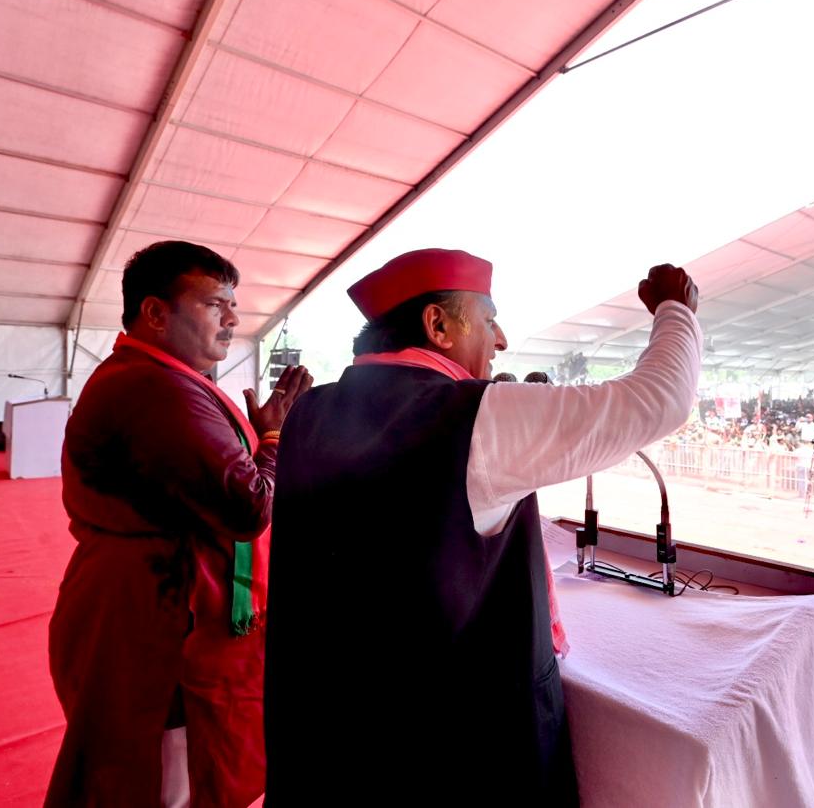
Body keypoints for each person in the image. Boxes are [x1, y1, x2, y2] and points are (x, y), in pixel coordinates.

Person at [264, 251, 701, 805]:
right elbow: (655, 401)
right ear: (438, 326)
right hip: (452, 752)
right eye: (489, 319)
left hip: (331, 738)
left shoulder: (309, 412)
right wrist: (675, 310)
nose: (501, 340)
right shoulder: (467, 414)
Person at [46, 241, 312, 807]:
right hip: (153, 615)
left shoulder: (162, 378)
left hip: (149, 596)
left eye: (232, 305)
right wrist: (273, 438)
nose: (233, 319)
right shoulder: (155, 387)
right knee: (161, 777)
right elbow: (248, 507)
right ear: (155, 312)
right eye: (215, 304)